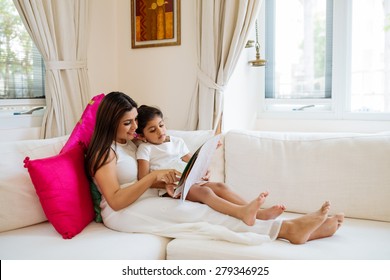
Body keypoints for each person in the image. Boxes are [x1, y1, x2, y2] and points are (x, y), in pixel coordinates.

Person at [85, 91, 344, 246]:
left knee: (201, 203)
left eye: (134, 123)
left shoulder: (130, 143)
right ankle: (289, 230)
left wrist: (168, 179)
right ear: (110, 122)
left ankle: (290, 226)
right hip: (124, 212)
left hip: (147, 198)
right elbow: (116, 201)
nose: (134, 129)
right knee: (195, 213)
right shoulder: (103, 152)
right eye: (128, 123)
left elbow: (149, 170)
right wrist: (154, 176)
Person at [135, 105, 286, 226]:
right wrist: (164, 183)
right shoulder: (145, 149)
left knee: (221, 186)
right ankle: (242, 213)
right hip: (171, 188)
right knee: (206, 193)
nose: (160, 131)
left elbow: (192, 162)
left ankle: (257, 213)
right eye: (152, 130)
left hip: (190, 181)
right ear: (142, 136)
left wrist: (203, 169)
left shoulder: (176, 141)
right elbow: (143, 179)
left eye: (161, 125)